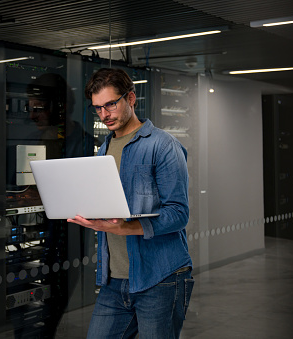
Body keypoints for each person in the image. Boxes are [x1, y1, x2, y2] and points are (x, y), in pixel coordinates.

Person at [67, 68, 194, 339]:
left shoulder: (163, 145)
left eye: (111, 104)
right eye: (98, 108)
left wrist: (123, 228)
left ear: (131, 98)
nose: (104, 114)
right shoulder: (103, 149)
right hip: (114, 281)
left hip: (160, 278)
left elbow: (178, 214)